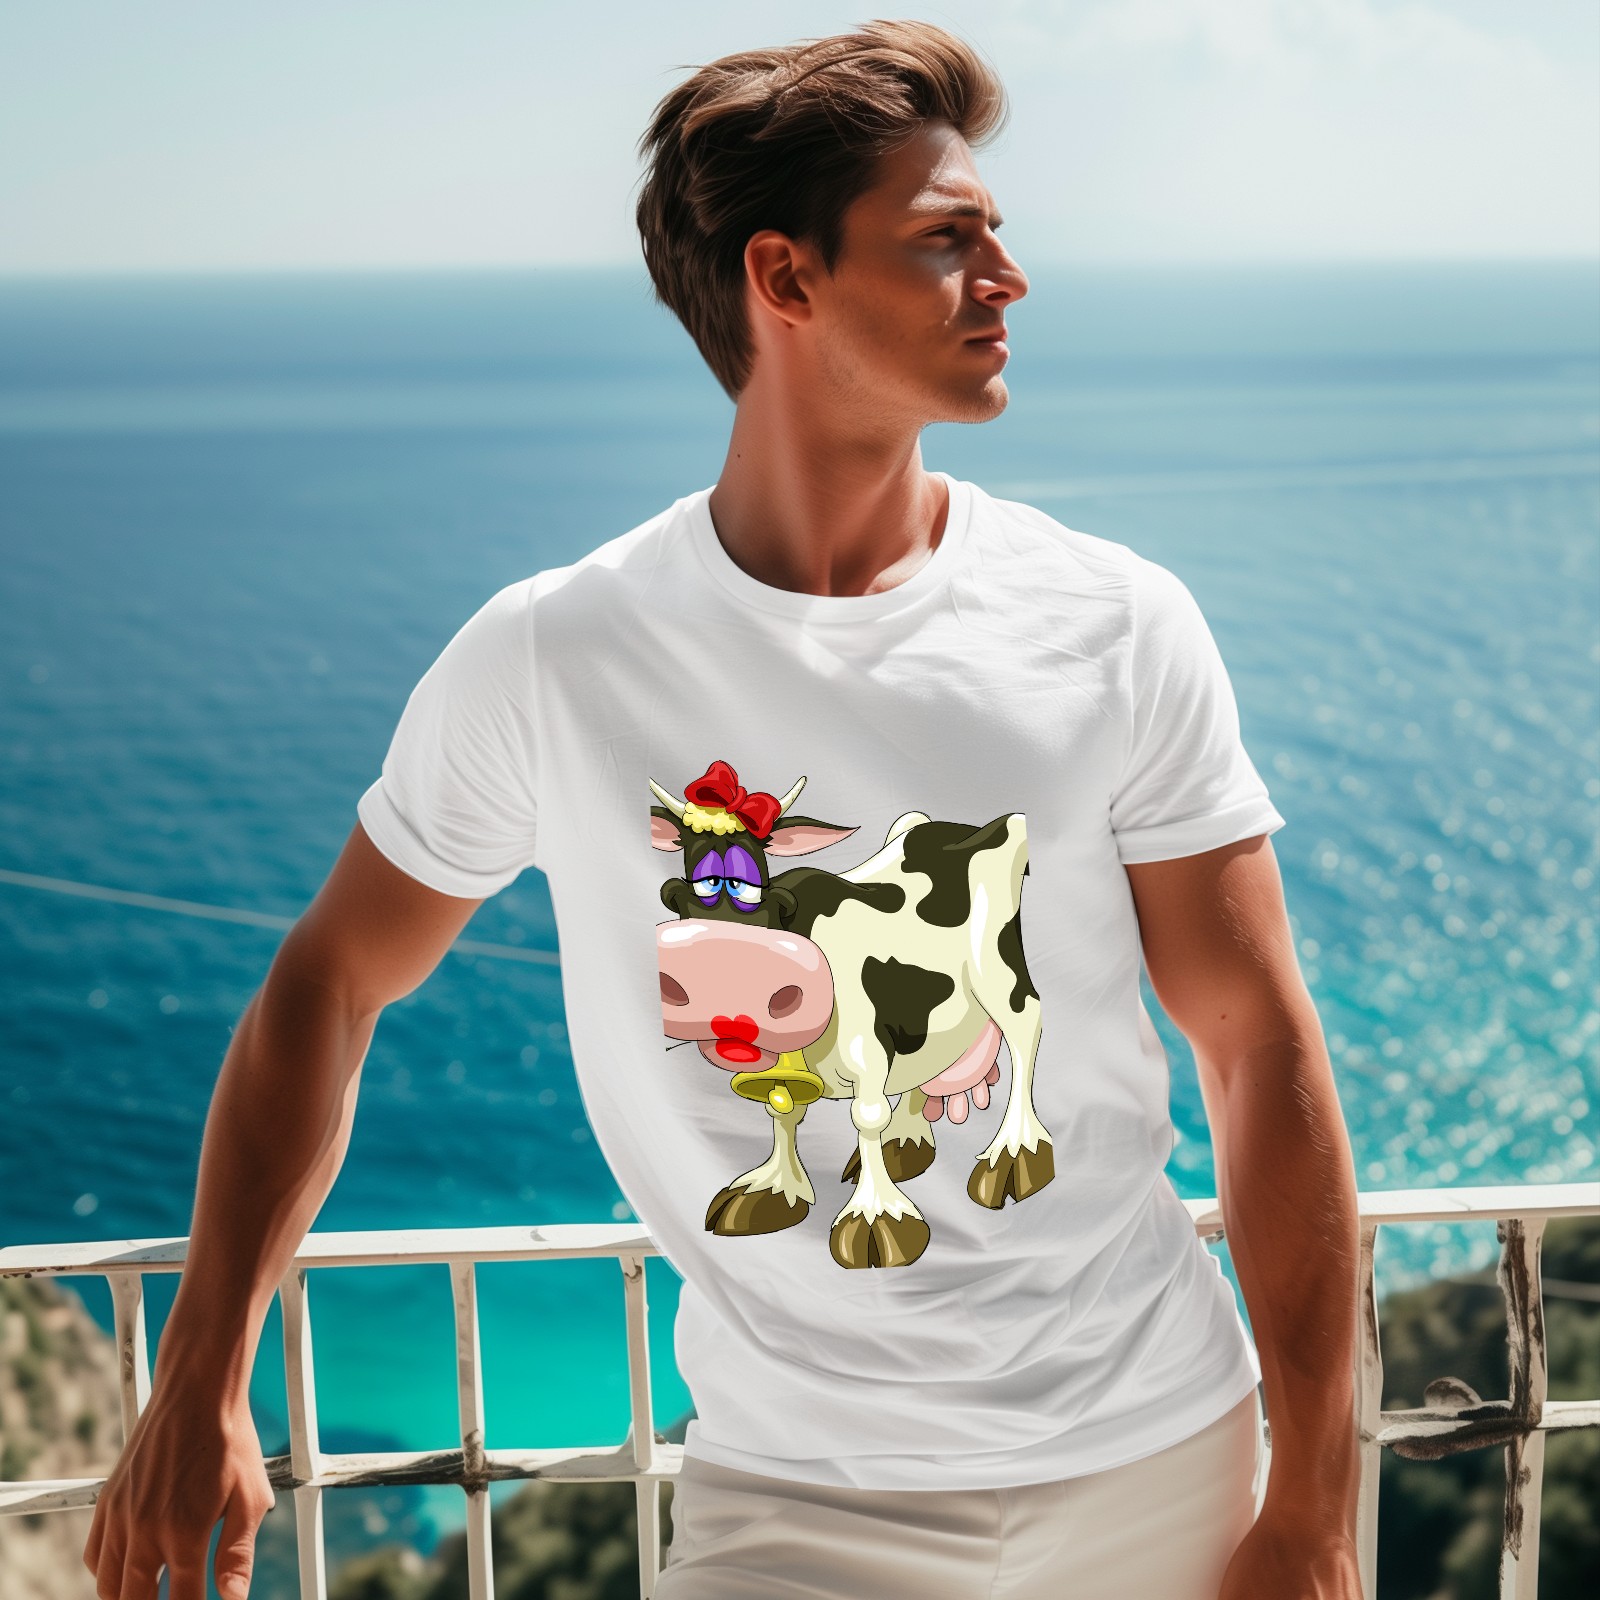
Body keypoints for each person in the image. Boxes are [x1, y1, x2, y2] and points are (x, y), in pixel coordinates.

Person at [84, 19, 1363, 1600]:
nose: (1008, 280)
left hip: (1165, 1464)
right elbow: (329, 983)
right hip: (799, 1508)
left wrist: (1315, 1502)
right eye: (947, 240)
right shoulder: (557, 655)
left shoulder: (1114, 620)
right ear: (785, 278)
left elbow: (1257, 1043)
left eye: (996, 235)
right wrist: (202, 1376)